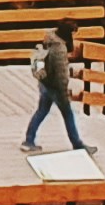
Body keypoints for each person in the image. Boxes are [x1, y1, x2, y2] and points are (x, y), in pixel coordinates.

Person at [24, 22, 90, 156]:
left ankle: (28, 140)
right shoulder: (59, 49)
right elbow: (61, 74)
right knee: (68, 114)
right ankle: (77, 144)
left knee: (41, 112)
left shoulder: (50, 38)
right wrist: (64, 91)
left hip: (45, 83)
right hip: (55, 87)